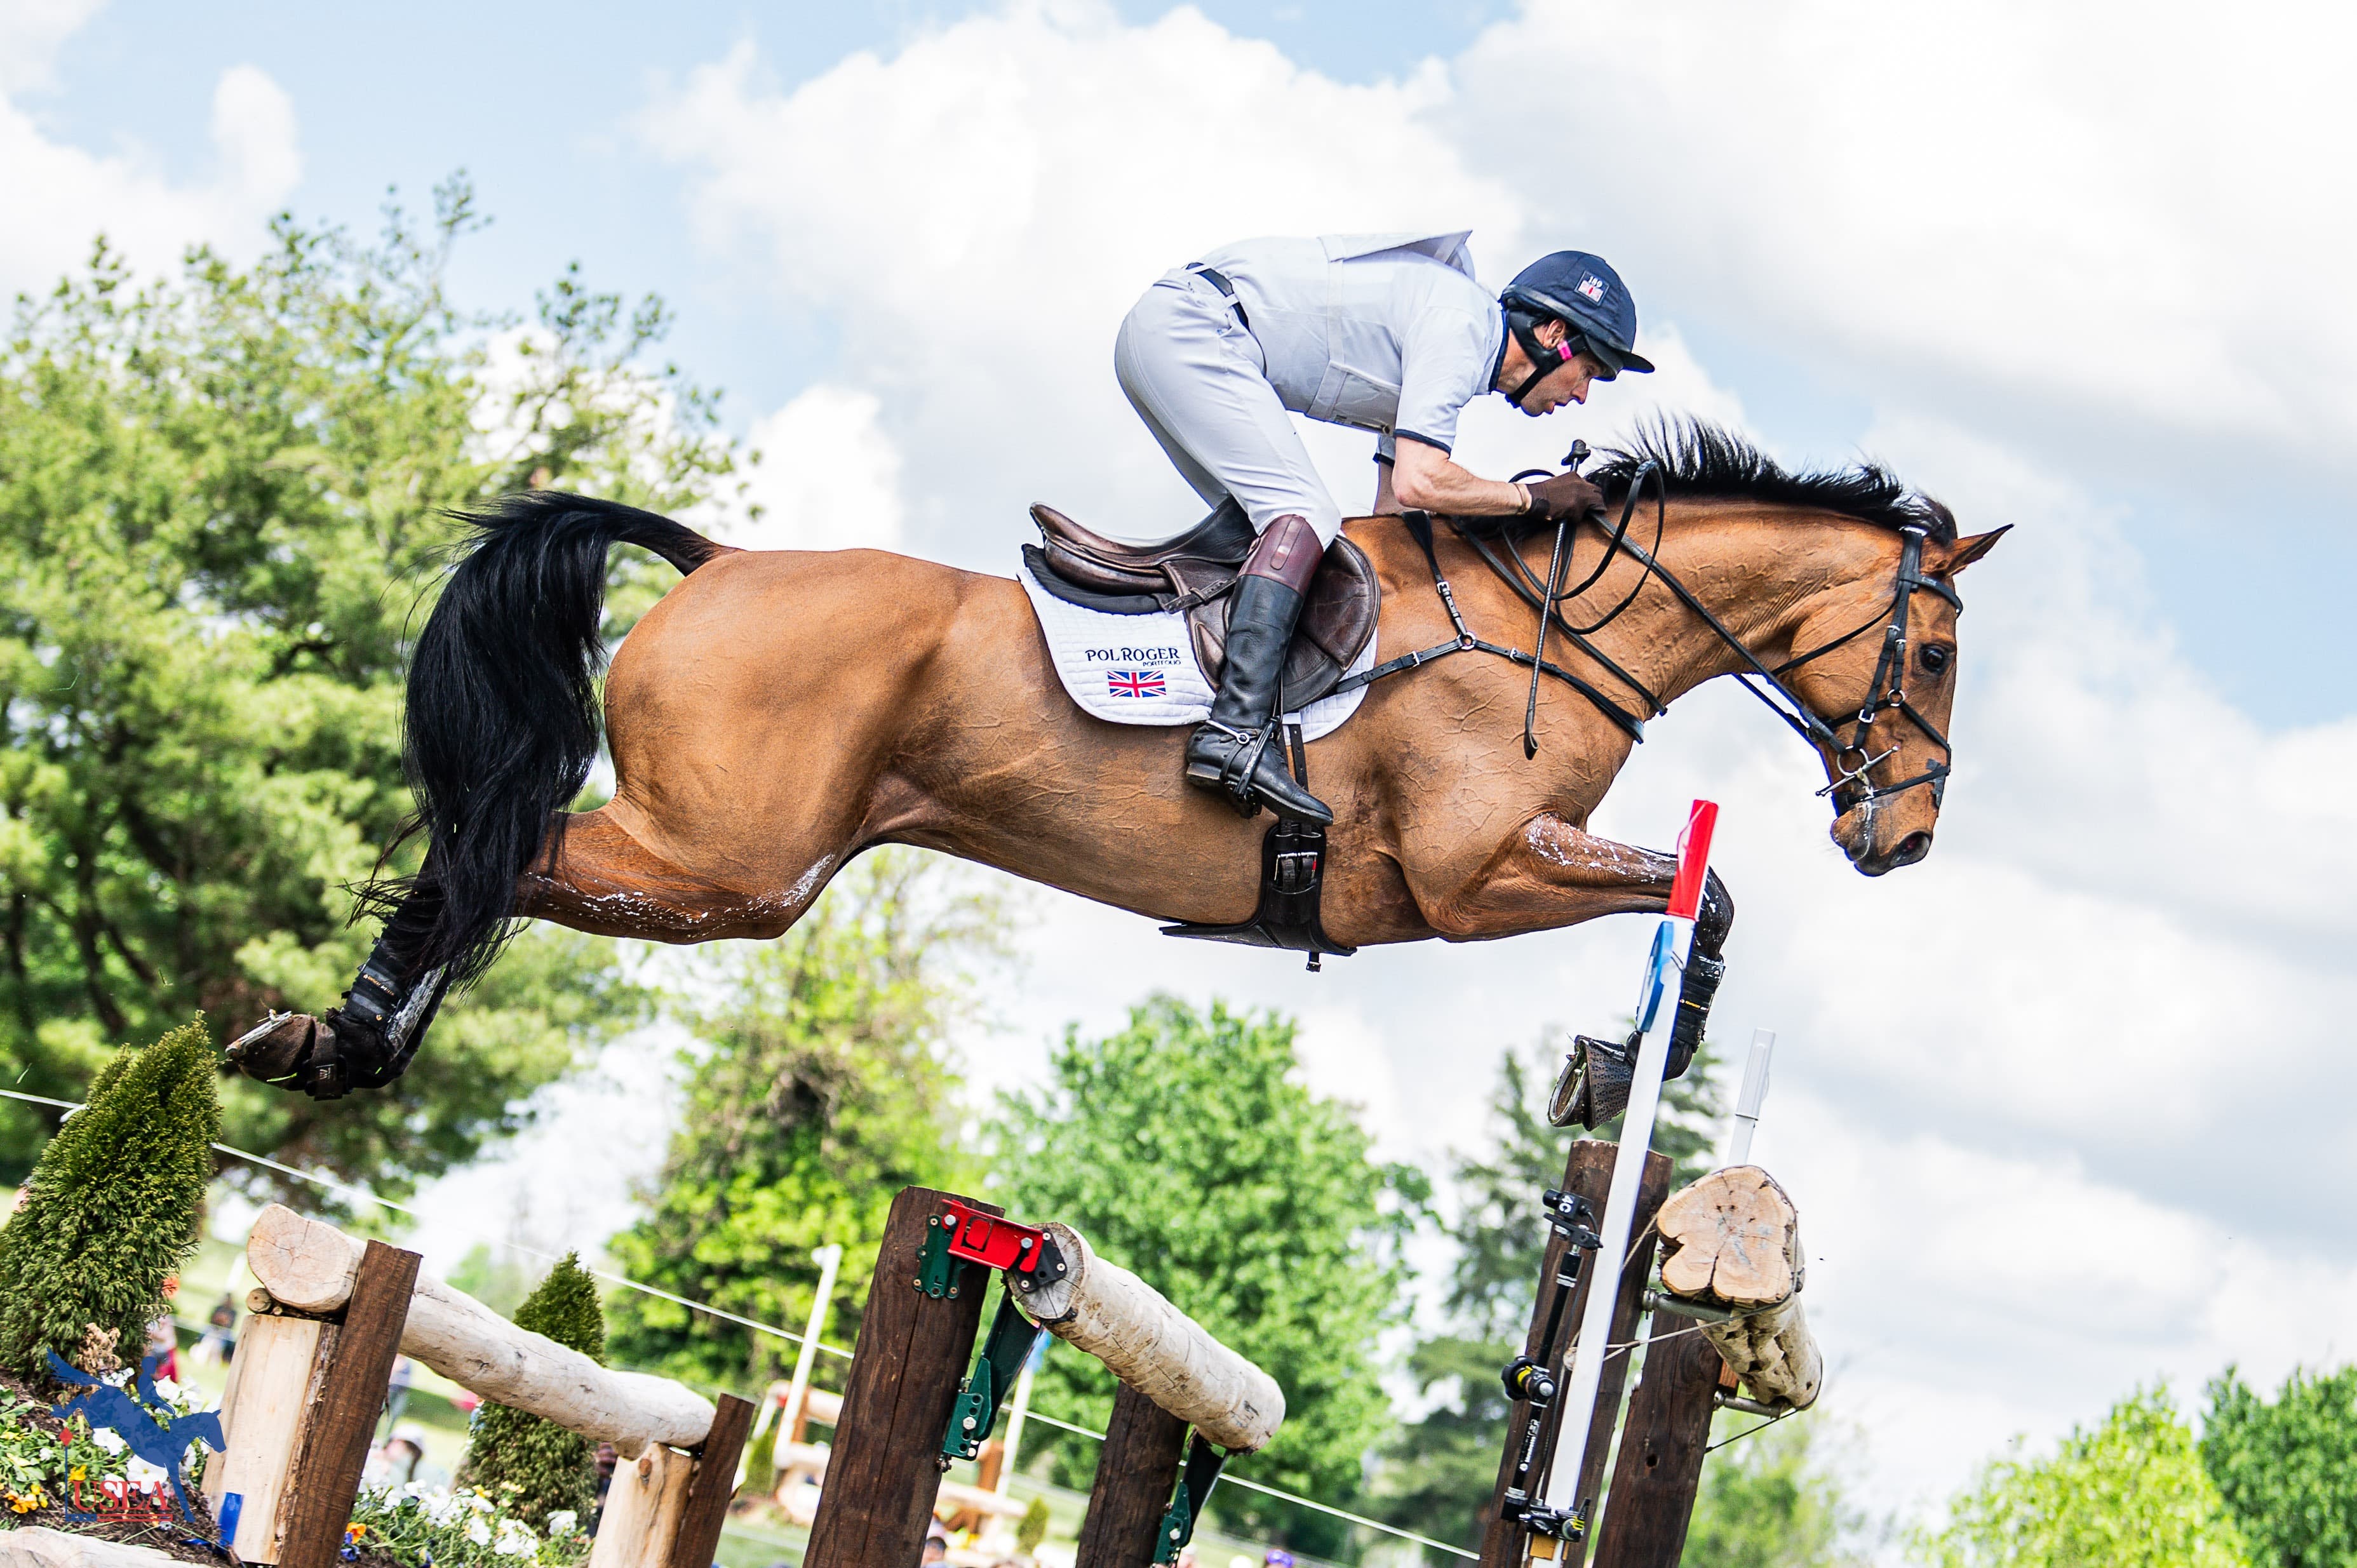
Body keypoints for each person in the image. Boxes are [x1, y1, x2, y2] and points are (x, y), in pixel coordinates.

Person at [1115, 233, 1649, 823]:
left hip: (1176, 333)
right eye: (1588, 371)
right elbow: (1421, 481)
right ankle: (1234, 731)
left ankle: (1182, 697)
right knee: (1304, 515)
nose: (1581, 395)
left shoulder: (1450, 340)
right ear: (1553, 335)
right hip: (1194, 332)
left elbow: (1392, 517)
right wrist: (1533, 499)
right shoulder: (1462, 328)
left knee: (1270, 536)